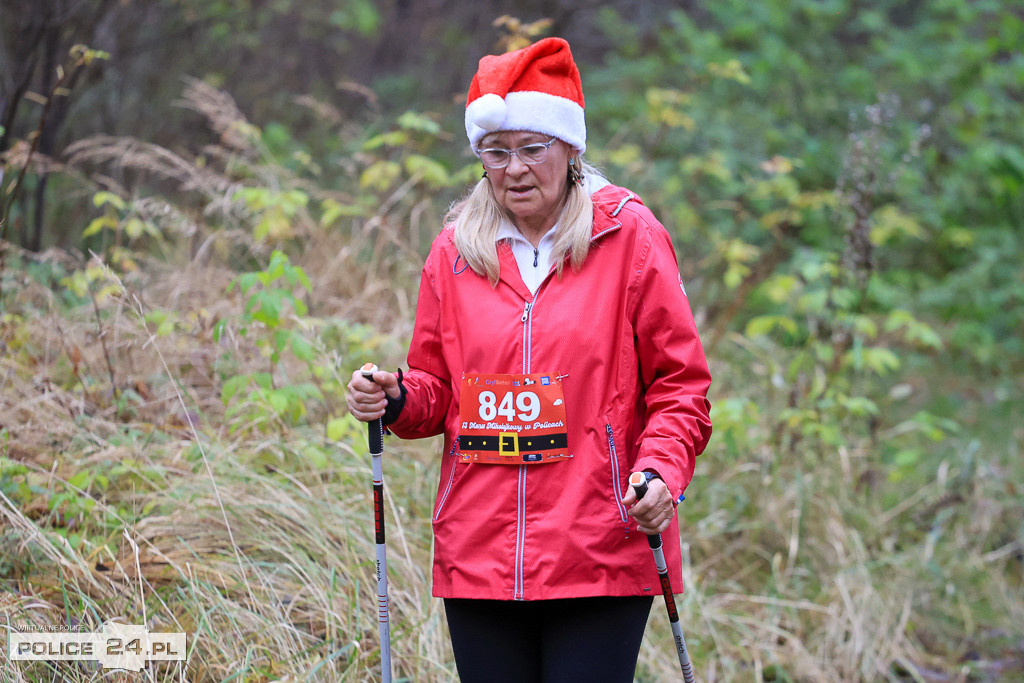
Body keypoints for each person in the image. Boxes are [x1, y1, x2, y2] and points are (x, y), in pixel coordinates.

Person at [347, 37, 712, 682]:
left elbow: (681, 387)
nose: (514, 168)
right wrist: (397, 397)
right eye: (495, 151)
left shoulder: (629, 237)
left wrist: (660, 472)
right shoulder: (454, 251)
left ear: (569, 149)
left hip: (599, 544)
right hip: (478, 551)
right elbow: (438, 387)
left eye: (531, 148)